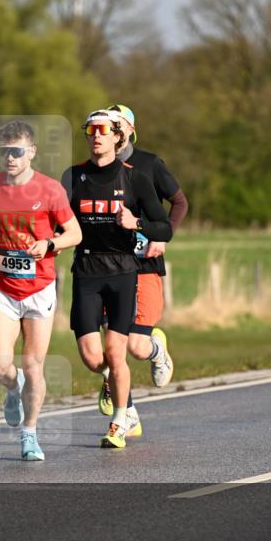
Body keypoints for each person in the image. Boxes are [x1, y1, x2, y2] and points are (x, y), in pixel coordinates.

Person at [62, 110, 172, 449]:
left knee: (116, 350)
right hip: (86, 271)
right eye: (91, 130)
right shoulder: (73, 176)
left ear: (116, 137)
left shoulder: (134, 178)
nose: (96, 135)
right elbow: (56, 220)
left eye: (103, 130)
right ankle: (117, 390)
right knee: (94, 359)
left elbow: (163, 226)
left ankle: (121, 421)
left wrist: (135, 223)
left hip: (123, 272)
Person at [0, 120, 83, 461]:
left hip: (39, 289)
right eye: (4, 151)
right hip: (5, 287)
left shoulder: (50, 190)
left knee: (34, 365)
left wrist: (49, 244)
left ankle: (30, 435)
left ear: (31, 152)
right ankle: (13, 386)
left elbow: (75, 234)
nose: (10, 158)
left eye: (16, 151)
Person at [91, 103, 190, 435]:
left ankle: (156, 349)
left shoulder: (149, 164)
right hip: (106, 267)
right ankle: (127, 411)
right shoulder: (94, 169)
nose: (109, 131)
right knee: (109, 345)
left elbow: (179, 203)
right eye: (105, 125)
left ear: (129, 131)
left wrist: (162, 236)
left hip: (145, 263)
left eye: (115, 125)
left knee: (135, 345)